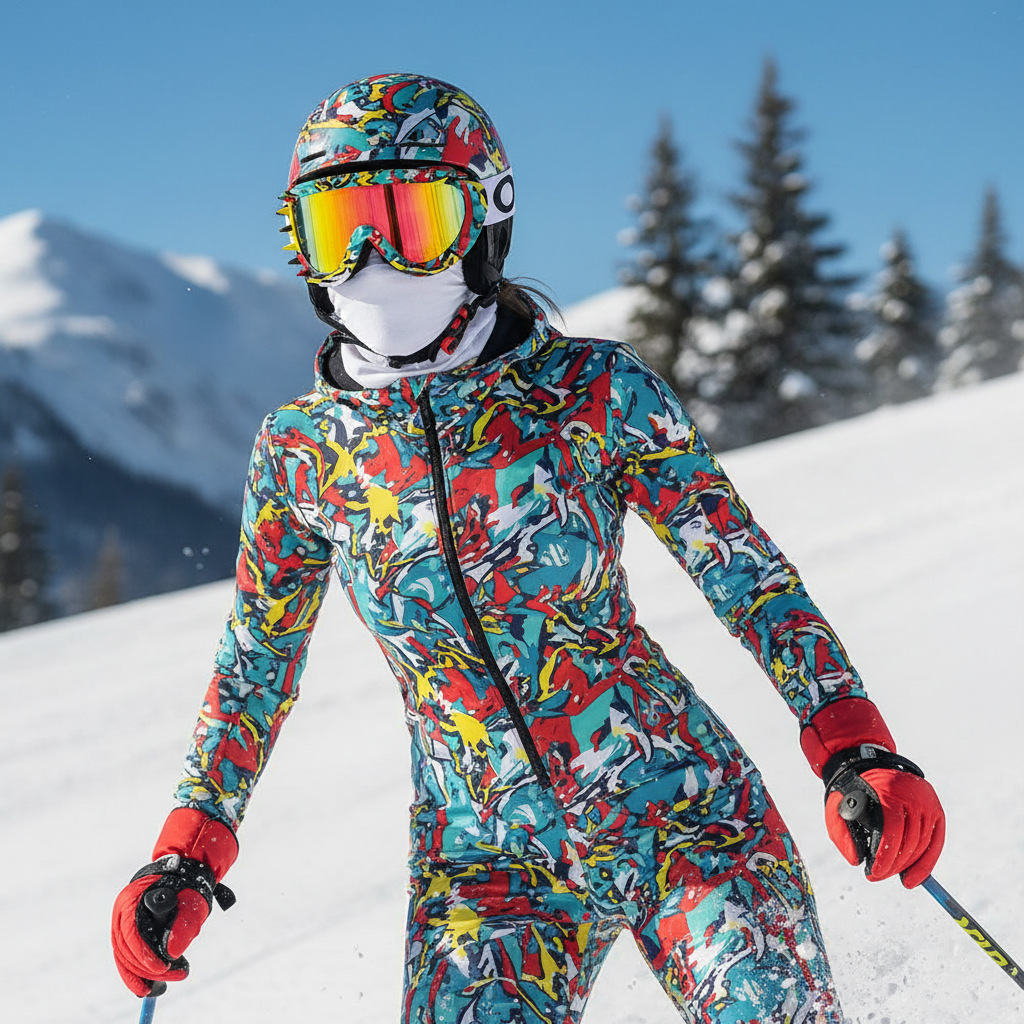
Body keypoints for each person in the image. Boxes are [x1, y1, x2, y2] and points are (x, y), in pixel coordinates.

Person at [111, 73, 945, 1024]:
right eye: (338, 229)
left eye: (410, 220)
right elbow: (257, 662)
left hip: (681, 817)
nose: (373, 261)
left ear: (485, 218)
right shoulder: (304, 452)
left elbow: (744, 573)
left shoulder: (593, 390)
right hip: (485, 874)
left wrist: (852, 743)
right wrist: (188, 847)